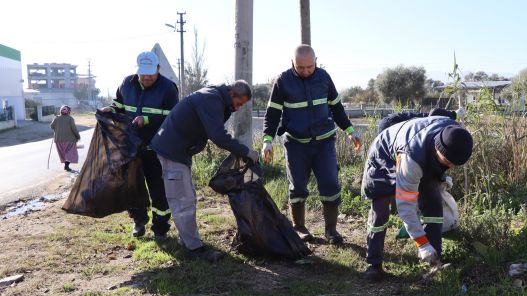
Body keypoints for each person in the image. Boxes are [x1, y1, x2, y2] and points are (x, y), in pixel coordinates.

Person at [261, 45, 361, 244]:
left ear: (316, 61)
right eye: (300, 67)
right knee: (297, 187)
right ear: (292, 63)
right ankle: (299, 227)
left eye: (310, 66)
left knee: (330, 184)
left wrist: (350, 131)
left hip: (324, 143)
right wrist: (267, 141)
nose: (306, 71)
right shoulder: (282, 81)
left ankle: (331, 230)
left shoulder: (324, 78)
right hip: (296, 144)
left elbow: (337, 108)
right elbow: (272, 114)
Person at [150, 81, 260, 261]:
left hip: (177, 150)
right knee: (183, 200)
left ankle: (186, 239)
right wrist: (245, 151)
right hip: (172, 151)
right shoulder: (212, 99)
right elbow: (217, 135)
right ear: (232, 93)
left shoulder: (215, 96)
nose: (238, 108)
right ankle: (193, 249)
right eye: (239, 103)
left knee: (186, 196)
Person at [361, 115, 473, 281]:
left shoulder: (454, 133)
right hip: (383, 155)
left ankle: (434, 260)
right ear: (438, 149)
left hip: (420, 152)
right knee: (380, 209)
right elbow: (406, 206)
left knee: (434, 202)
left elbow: (441, 117)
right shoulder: (412, 159)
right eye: (448, 162)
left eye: (455, 164)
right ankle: (374, 263)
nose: (451, 167)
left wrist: (441, 176)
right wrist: (421, 243)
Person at [100, 51, 179, 240]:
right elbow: (119, 105)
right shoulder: (126, 84)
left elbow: (173, 117)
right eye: (143, 74)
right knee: (132, 186)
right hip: (130, 147)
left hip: (156, 148)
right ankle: (138, 220)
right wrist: (110, 109)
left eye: (150, 74)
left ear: (158, 69)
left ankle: (160, 228)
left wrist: (147, 119)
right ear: (138, 71)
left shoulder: (168, 88)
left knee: (158, 189)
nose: (147, 78)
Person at [50, 105, 80, 172]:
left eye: (65, 109)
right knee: (70, 153)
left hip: (58, 140)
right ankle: (66, 166)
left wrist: (56, 122)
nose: (64, 110)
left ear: (68, 111)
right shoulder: (70, 119)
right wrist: (78, 136)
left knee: (64, 154)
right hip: (69, 140)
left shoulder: (57, 118)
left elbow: (52, 126)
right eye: (63, 109)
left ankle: (66, 166)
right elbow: (74, 129)